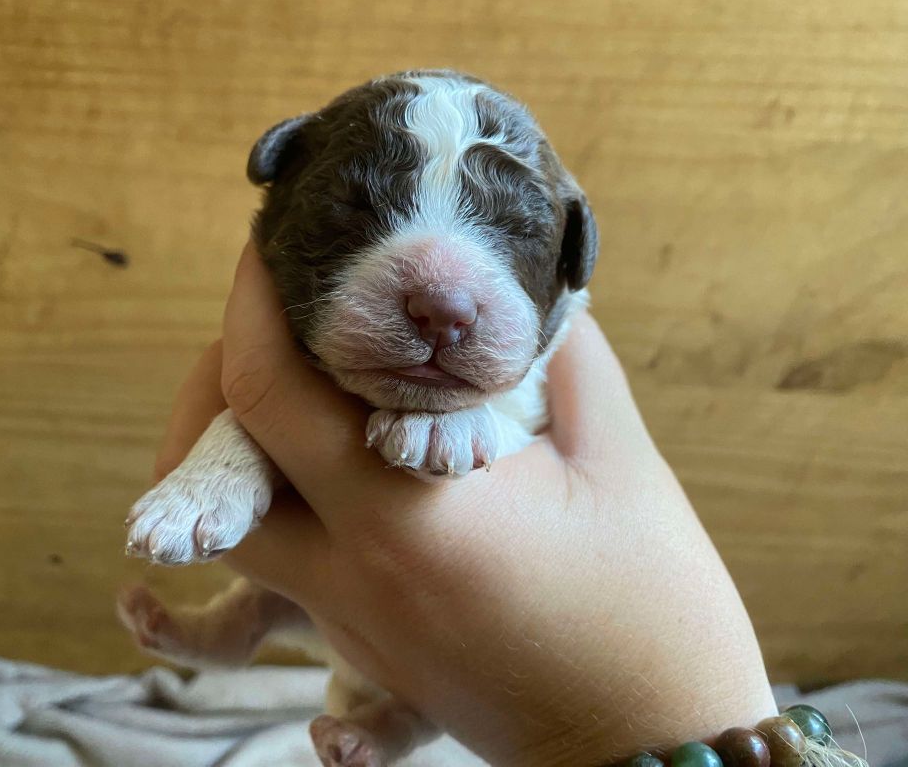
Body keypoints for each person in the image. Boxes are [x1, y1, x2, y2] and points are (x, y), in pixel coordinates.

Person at [151, 242, 777, 766]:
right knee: (269, 592)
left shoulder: (535, 348)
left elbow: (523, 435)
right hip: (341, 616)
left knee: (388, 709)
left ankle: (381, 730)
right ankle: (226, 636)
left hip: (412, 663)